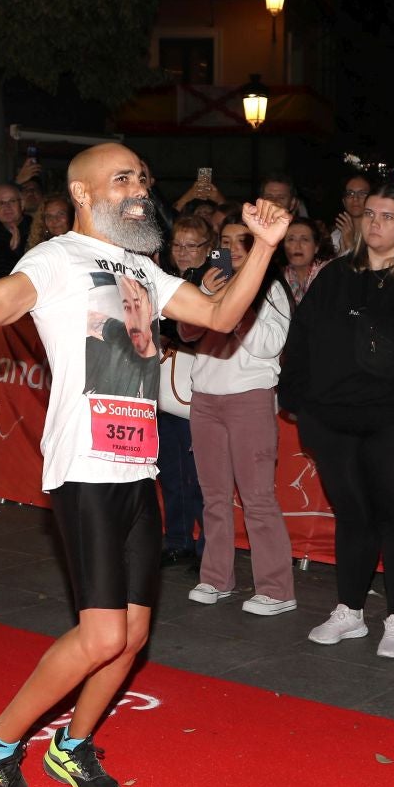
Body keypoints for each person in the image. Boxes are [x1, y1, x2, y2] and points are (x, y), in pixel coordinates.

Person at [0, 144, 289, 787]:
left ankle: (71, 745)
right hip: (84, 466)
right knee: (103, 633)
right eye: (123, 178)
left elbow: (221, 317)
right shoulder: (56, 257)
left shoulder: (144, 269)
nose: (140, 188)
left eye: (144, 176)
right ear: (84, 193)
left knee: (134, 635)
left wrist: (262, 248)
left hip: (136, 466)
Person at [279, 181, 394, 659]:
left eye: (388, 216)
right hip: (334, 419)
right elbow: (300, 339)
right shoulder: (336, 275)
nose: (376, 223)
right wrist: (299, 403)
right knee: (353, 517)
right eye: (371, 215)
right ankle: (350, 610)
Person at [182, 213, 295, 617]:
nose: (231, 248)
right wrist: (204, 298)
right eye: (225, 241)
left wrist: (237, 306)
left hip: (250, 397)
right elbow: (187, 333)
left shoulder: (270, 289)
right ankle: (216, 577)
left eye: (240, 241)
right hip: (205, 398)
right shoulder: (211, 278)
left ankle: (277, 588)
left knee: (257, 496)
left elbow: (267, 346)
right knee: (213, 496)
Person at [157, 216, 218, 567]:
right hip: (165, 391)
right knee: (172, 474)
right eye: (177, 244)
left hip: (199, 392)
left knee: (201, 480)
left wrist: (170, 333)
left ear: (207, 249)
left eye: (191, 245)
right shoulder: (163, 280)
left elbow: (210, 330)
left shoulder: (212, 284)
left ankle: (208, 547)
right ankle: (178, 539)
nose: (182, 252)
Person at [280, 217, 325, 303]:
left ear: (316, 247)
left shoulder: (328, 274)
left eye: (304, 240)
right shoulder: (278, 280)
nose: (297, 246)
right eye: (291, 239)